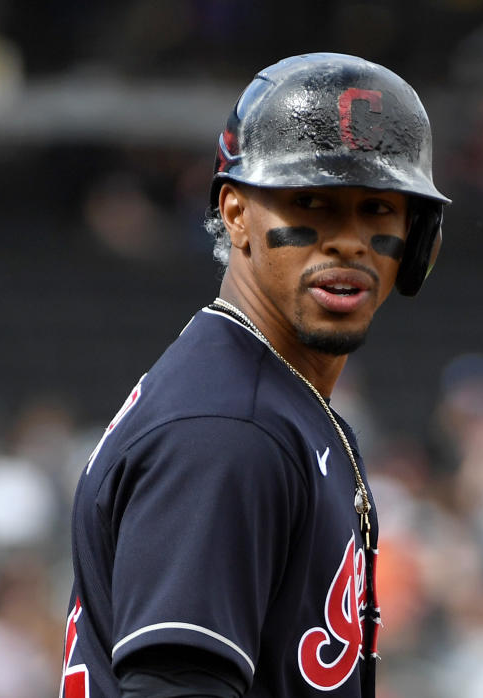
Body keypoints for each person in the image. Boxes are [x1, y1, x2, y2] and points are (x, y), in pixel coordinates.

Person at [60, 53, 450, 697]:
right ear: (236, 213)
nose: (347, 241)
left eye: (377, 208)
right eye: (312, 203)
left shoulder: (266, 396)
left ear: (418, 236)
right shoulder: (229, 431)